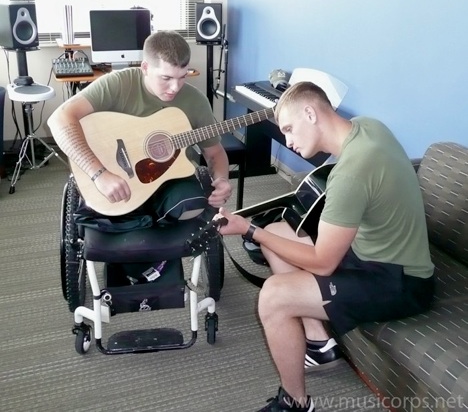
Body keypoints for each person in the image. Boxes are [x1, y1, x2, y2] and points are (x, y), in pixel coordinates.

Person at [215, 81, 435, 412]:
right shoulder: (367, 127)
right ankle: (318, 342)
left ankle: (295, 402)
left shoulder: (350, 174)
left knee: (274, 297)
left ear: (310, 113)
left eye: (289, 129)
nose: (287, 141)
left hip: (400, 282)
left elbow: (323, 263)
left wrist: (248, 230)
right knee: (278, 231)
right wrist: (262, 232)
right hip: (373, 253)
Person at [48, 30, 232, 218]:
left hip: (173, 179)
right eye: (166, 78)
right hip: (117, 179)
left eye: (183, 77)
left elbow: (214, 153)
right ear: (145, 67)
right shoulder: (119, 83)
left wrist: (222, 180)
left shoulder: (196, 101)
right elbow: (59, 119)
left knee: (192, 208)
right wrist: (99, 174)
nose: (175, 87)